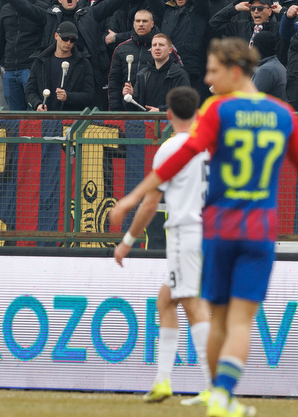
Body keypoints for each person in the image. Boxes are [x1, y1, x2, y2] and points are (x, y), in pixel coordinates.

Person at [109, 37, 298, 417]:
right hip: (259, 230)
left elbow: (182, 157)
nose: (207, 78)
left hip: (217, 229)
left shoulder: (217, 111)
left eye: (212, 71)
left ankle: (216, 395)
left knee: (218, 320)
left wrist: (132, 197)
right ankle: (223, 394)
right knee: (241, 322)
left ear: (234, 71)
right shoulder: (282, 114)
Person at [113, 86, 213, 404]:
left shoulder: (170, 149)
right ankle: (163, 380)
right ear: (197, 113)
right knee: (166, 302)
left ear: (168, 115)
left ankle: (215, 386)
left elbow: (149, 203)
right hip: (211, 232)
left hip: (186, 232)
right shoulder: (209, 146)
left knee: (191, 305)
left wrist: (128, 240)